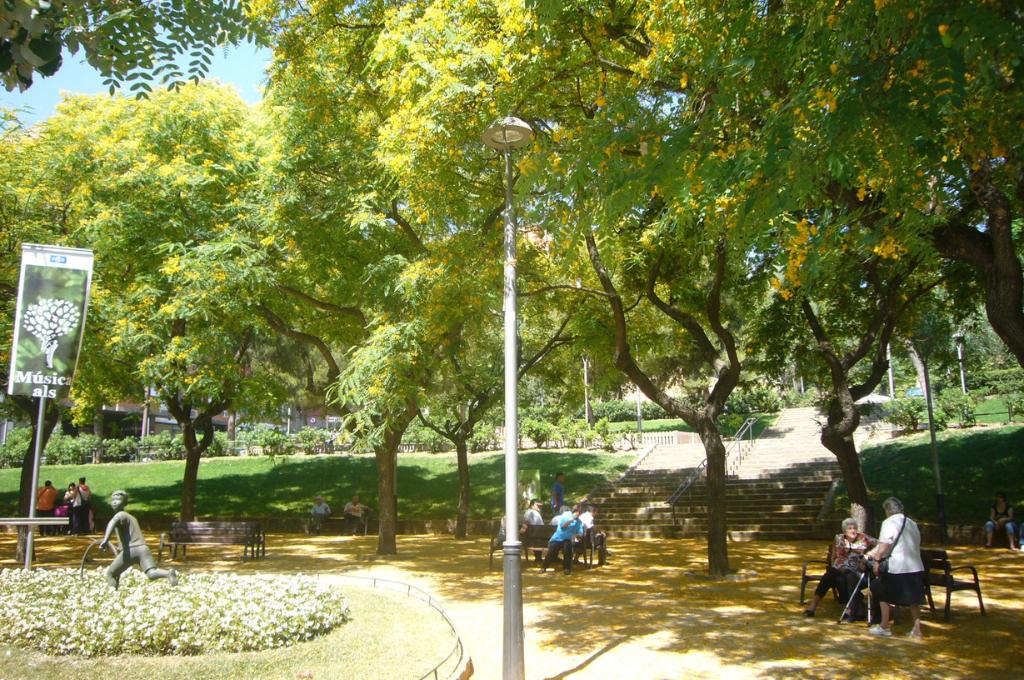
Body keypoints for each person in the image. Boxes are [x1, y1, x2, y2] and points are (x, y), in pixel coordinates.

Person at [865, 497, 925, 638]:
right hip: (915, 565)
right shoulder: (911, 523)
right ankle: (917, 630)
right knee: (914, 600)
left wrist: (876, 560)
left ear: (887, 510)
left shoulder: (889, 522)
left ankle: (884, 626)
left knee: (879, 588)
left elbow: (885, 545)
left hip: (898, 566)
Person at [99, 490, 178, 589]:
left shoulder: (119, 515)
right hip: (143, 549)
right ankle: (168, 573)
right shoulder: (132, 518)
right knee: (151, 573)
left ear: (124, 503)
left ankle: (113, 594)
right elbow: (129, 536)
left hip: (130, 551)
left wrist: (105, 540)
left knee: (111, 573)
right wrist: (120, 548)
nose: (115, 502)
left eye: (118, 500)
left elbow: (111, 523)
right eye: (113, 500)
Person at [803, 518, 877, 621]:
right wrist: (836, 565)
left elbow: (880, 544)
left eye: (855, 528)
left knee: (841, 578)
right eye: (849, 528)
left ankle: (851, 609)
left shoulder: (863, 537)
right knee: (829, 576)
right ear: (844, 531)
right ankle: (813, 606)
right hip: (839, 568)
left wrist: (869, 555)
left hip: (856, 571)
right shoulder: (839, 538)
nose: (853, 531)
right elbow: (835, 556)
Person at [541, 503, 584, 575]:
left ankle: (567, 569)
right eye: (579, 513)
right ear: (575, 511)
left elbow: (580, 533)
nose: (579, 515)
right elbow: (563, 526)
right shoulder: (565, 516)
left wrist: (577, 535)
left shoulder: (579, 522)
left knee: (568, 549)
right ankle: (544, 567)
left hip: (567, 539)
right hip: (557, 538)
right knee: (551, 552)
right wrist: (571, 519)